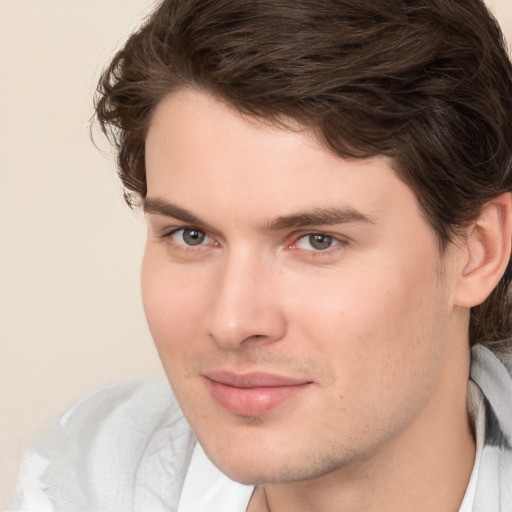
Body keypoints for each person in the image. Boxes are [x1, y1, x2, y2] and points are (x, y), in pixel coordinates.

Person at [10, 0, 512, 511]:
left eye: (317, 240)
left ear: (478, 251)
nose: (231, 322)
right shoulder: (82, 475)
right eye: (190, 235)